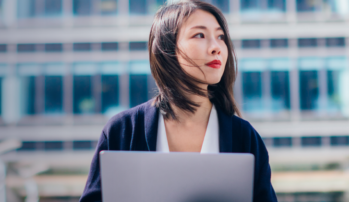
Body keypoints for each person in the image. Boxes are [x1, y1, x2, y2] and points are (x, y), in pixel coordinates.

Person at [79, 0, 277, 201]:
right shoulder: (122, 131)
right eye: (199, 35)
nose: (216, 47)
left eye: (221, 36)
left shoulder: (245, 137)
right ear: (168, 47)